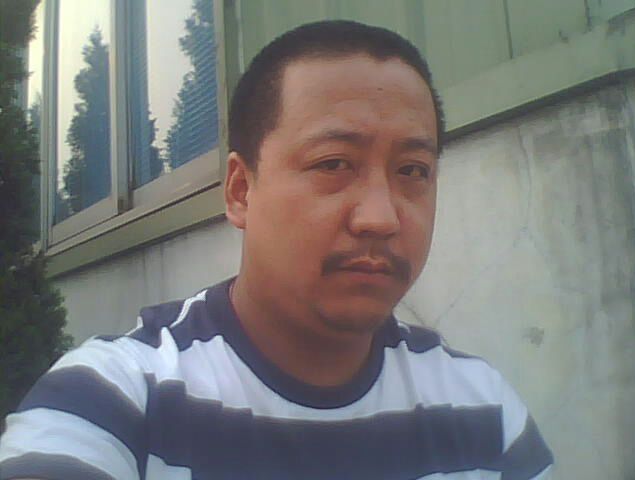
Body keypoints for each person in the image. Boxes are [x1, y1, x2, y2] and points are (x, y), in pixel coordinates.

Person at [0, 20, 553, 480]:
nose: (381, 218)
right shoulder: (117, 400)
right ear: (241, 191)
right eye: (333, 164)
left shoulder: (483, 412)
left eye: (412, 171)